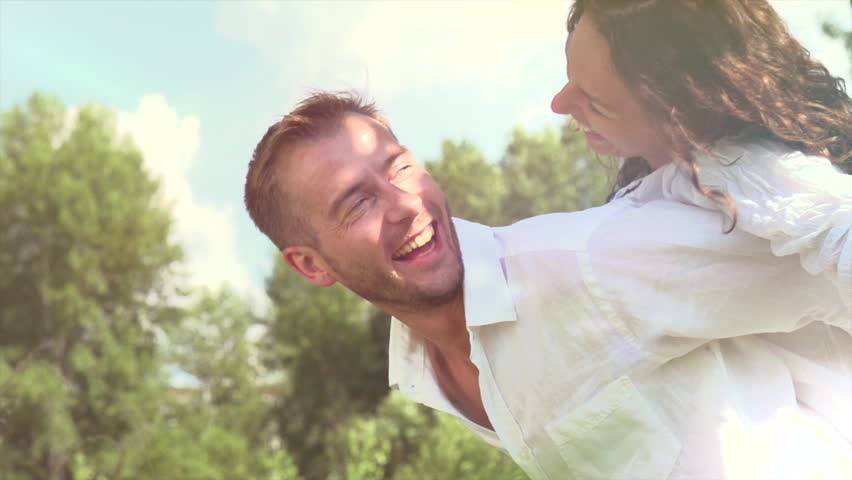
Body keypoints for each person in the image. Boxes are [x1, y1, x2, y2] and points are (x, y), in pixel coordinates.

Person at [244, 91, 851, 479]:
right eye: (357, 202)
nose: (406, 203)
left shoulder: (587, 263)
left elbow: (827, 266)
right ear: (311, 266)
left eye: (400, 166)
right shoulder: (420, 371)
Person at [549, 0, 851, 302]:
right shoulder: (664, 163)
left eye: (595, 102)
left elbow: (840, 225)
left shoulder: (743, 170)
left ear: (681, 112)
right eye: (569, 74)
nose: (559, 104)